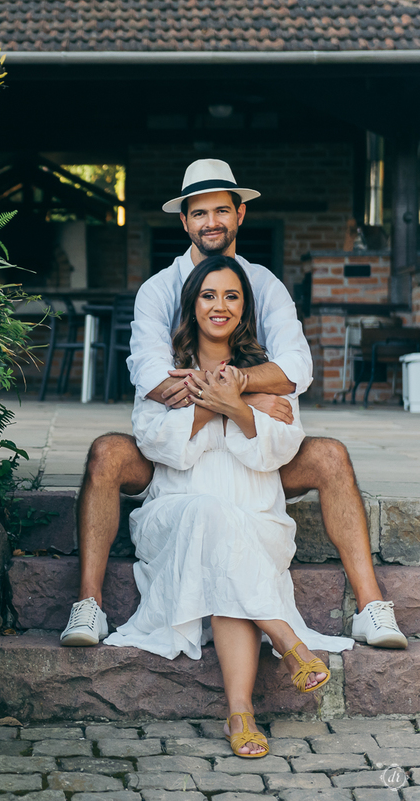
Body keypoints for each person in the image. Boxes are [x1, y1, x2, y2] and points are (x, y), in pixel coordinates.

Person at [59, 159, 407, 651]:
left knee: (331, 456)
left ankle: (371, 608)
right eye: (199, 213)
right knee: (107, 453)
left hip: (251, 457)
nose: (211, 223)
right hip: (179, 455)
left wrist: (236, 388)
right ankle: (89, 605)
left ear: (240, 214)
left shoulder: (264, 286)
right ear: (184, 222)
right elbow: (155, 379)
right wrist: (247, 394)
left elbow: (296, 372)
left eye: (222, 210)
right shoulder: (159, 290)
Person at [102, 254, 354, 757]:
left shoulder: (263, 376)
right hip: (176, 514)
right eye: (209, 295)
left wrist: (238, 401)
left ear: (245, 307)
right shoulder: (168, 375)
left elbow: (282, 448)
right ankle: (287, 642)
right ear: (192, 304)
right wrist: (216, 403)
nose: (220, 306)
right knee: (208, 514)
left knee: (223, 539)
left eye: (232, 296)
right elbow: (155, 443)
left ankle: (240, 714)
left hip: (254, 516)